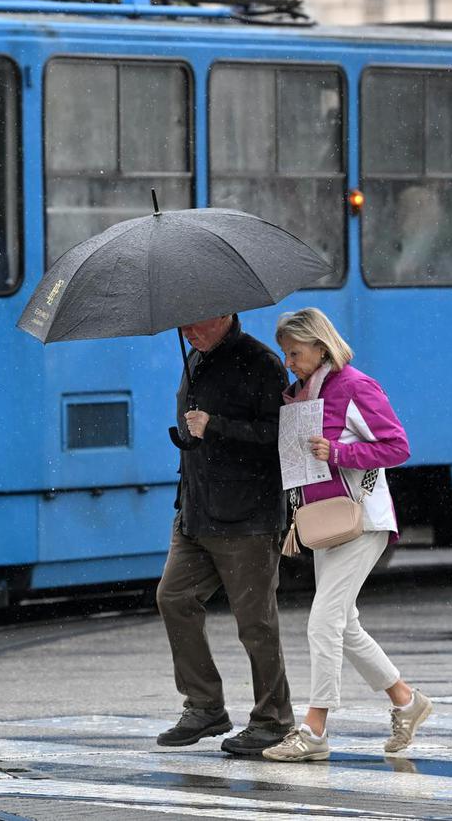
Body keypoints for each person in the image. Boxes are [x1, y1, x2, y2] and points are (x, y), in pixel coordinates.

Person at [262, 307, 431, 763]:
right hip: (324, 522)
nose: (289, 361)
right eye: (285, 353)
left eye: (294, 352)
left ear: (321, 347)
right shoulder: (303, 395)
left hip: (362, 520)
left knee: (323, 621)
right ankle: (406, 701)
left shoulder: (355, 386)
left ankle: (314, 732)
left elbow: (397, 447)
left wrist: (336, 450)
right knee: (344, 623)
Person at [155, 313, 295, 756]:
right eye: (183, 324)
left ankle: (273, 720)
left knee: (255, 622)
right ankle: (204, 705)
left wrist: (215, 426)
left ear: (224, 314)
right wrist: (194, 438)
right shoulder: (195, 356)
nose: (186, 330)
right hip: (195, 511)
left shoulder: (261, 362)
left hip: (247, 516)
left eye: (195, 322)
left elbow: (280, 436)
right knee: (173, 598)